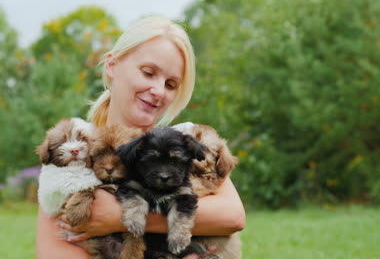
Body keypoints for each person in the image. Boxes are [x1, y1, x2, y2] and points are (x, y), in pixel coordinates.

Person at [36, 16, 245, 259]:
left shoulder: (185, 138)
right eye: (148, 72)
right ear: (112, 65)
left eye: (170, 84)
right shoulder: (75, 150)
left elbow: (233, 216)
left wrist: (117, 218)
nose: (158, 91)